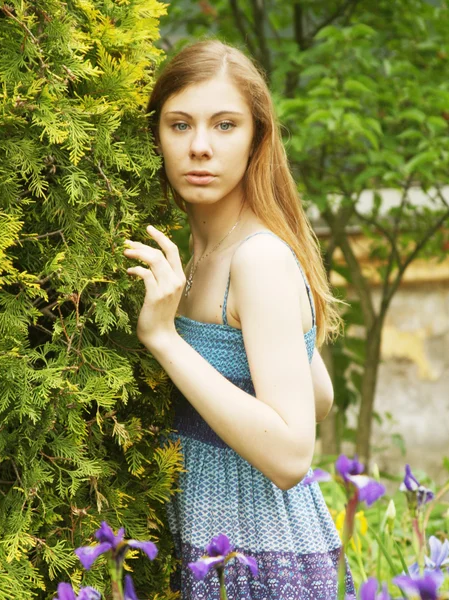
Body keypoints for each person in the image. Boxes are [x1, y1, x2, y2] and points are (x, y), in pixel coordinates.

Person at [123, 39, 355, 600]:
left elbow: (291, 454)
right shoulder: (197, 252)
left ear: (256, 139)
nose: (200, 147)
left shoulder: (258, 258)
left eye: (224, 125)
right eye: (180, 125)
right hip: (212, 545)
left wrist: (164, 339)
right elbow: (317, 396)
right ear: (155, 135)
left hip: (262, 561)